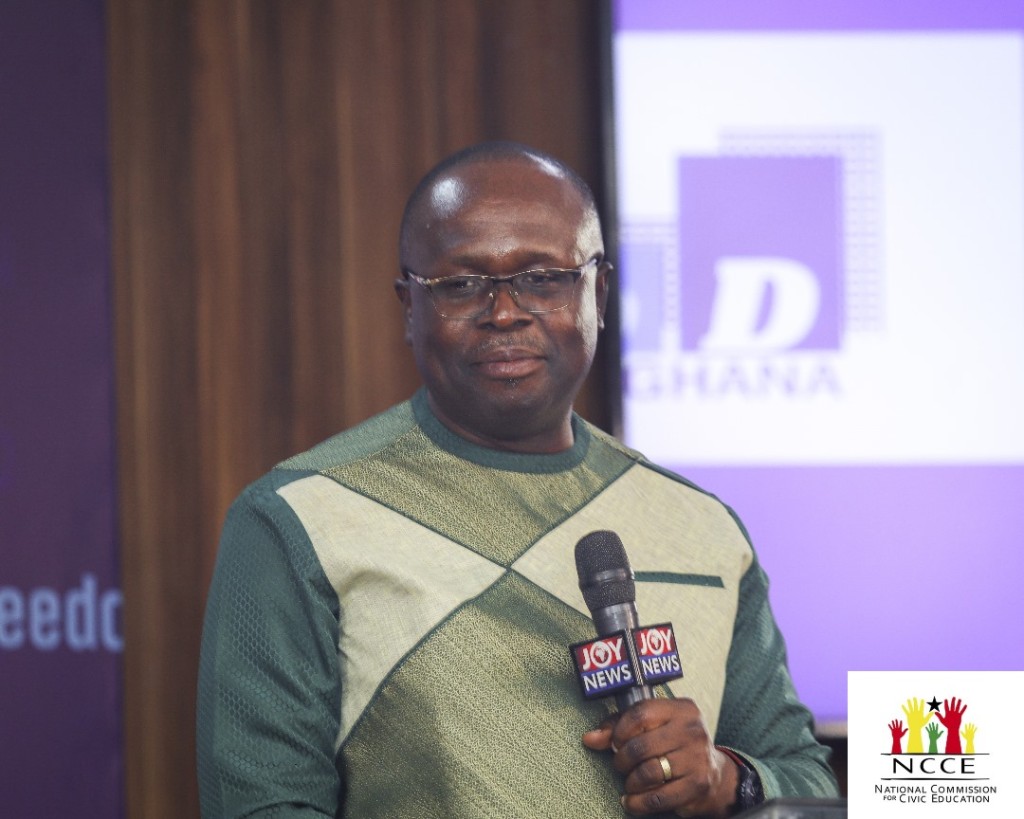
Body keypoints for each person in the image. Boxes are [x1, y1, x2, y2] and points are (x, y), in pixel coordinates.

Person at [196, 142, 839, 818]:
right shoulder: (299, 519)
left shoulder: (702, 527)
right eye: (461, 285)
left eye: (543, 277)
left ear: (599, 293)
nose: (504, 312)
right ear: (409, 307)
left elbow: (808, 780)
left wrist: (728, 778)